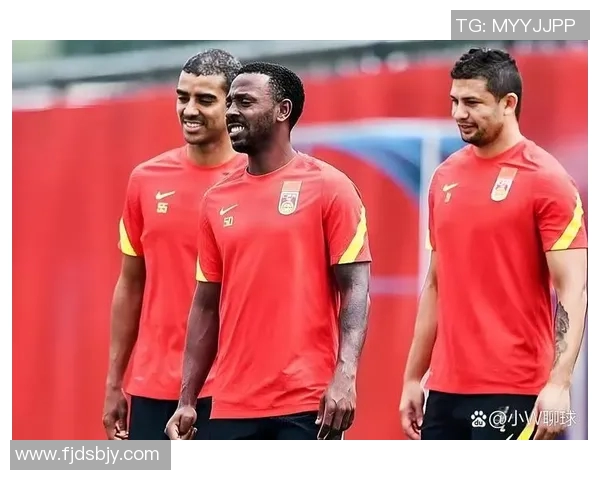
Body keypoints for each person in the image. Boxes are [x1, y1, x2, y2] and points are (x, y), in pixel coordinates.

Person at [164, 62, 372, 440]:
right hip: (231, 404)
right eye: (229, 103)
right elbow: (206, 304)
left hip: (307, 404)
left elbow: (356, 288)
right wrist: (187, 399)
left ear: (282, 110)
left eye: (244, 102)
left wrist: (345, 376)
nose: (231, 112)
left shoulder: (331, 187)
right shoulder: (216, 200)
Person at [399, 48, 588, 441]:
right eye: (454, 101)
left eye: (472, 103)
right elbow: (435, 284)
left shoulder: (548, 179)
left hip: (517, 390)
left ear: (508, 103)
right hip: (445, 391)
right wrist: (414, 377)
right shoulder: (444, 177)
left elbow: (574, 288)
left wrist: (559, 384)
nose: (458, 113)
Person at [102, 49, 246, 440]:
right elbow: (131, 283)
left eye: (205, 99)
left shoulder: (256, 180)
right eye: (182, 97)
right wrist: (115, 381)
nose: (189, 110)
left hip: (231, 390)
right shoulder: (145, 179)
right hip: (152, 386)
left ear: (232, 105)